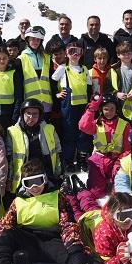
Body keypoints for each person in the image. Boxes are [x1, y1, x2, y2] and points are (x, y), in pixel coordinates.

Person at [5, 99, 62, 199]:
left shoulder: (49, 129)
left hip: (46, 174)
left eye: (35, 114)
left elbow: (57, 153)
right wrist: (9, 179)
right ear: (22, 114)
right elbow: (9, 158)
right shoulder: (12, 131)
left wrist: (59, 174)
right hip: (24, 177)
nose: (31, 117)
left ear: (40, 115)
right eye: (28, 113)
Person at [78, 94, 132, 198]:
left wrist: (119, 162)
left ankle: (111, 181)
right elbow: (82, 126)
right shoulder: (97, 123)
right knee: (96, 193)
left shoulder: (125, 125)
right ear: (101, 110)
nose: (109, 112)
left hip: (118, 160)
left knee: (118, 194)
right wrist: (92, 107)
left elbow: (128, 148)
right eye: (106, 109)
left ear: (117, 109)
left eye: (112, 109)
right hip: (99, 160)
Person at [53, 42, 93, 172]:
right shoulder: (63, 68)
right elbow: (52, 82)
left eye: (78, 52)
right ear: (66, 53)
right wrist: (57, 94)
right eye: (71, 52)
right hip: (68, 107)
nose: (75, 55)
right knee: (69, 134)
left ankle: (82, 159)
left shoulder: (85, 69)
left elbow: (89, 88)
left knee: (83, 133)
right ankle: (68, 161)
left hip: (83, 107)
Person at [0, 46, 24, 131]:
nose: (2, 61)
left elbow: (18, 96)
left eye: (4, 58)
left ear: (8, 58)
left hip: (9, 112)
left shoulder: (14, 73)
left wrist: (15, 117)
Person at [18, 26, 53, 116]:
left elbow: (52, 80)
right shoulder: (21, 58)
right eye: (33, 39)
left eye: (38, 39)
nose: (36, 42)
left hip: (46, 103)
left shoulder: (47, 57)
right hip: (30, 104)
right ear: (27, 40)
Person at [109, 42, 132, 127]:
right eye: (123, 54)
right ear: (118, 55)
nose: (127, 56)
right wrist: (116, 93)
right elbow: (107, 87)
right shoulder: (113, 69)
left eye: (129, 53)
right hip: (118, 106)